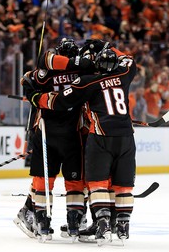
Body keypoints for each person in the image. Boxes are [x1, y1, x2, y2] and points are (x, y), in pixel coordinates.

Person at [25, 46, 137, 245]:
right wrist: (107, 46)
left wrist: (35, 97)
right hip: (124, 135)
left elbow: (58, 99)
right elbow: (128, 59)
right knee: (118, 184)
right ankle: (113, 224)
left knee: (95, 182)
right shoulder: (124, 73)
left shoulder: (87, 81)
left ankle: (47, 221)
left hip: (92, 135)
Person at [16, 38, 91, 241]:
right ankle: (75, 221)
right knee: (75, 180)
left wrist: (31, 91)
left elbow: (29, 77)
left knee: (43, 180)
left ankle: (42, 221)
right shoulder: (83, 74)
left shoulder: (46, 70)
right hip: (72, 133)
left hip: (47, 132)